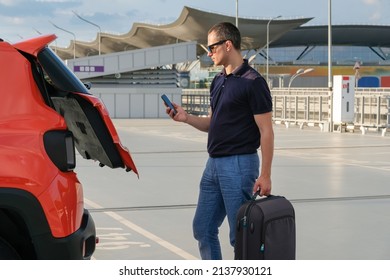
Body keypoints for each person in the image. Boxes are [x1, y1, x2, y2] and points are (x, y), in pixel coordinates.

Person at [164, 22, 274, 260]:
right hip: (213, 165)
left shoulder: (253, 82)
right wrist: (185, 118)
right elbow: (212, 124)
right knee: (202, 228)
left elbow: (266, 131)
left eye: (212, 47)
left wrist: (265, 174)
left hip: (239, 165)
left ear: (228, 44)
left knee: (240, 237)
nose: (208, 52)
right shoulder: (218, 81)